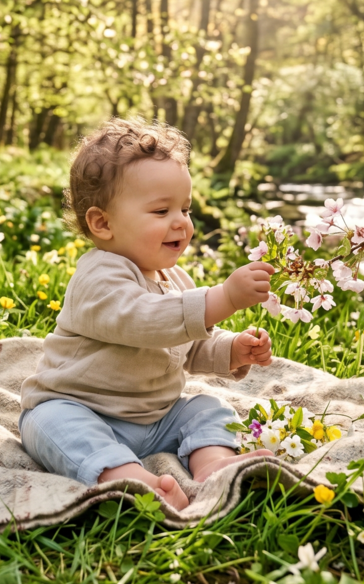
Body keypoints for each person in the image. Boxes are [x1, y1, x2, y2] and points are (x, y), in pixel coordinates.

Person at [18, 116, 278, 510]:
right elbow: (146, 320)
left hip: (157, 419)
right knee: (52, 426)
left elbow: (184, 346)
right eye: (161, 211)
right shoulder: (99, 276)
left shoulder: (174, 278)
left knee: (209, 408)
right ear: (102, 223)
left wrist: (231, 349)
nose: (181, 223)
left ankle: (213, 467)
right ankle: (131, 479)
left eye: (186, 209)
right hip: (82, 407)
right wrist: (224, 297)